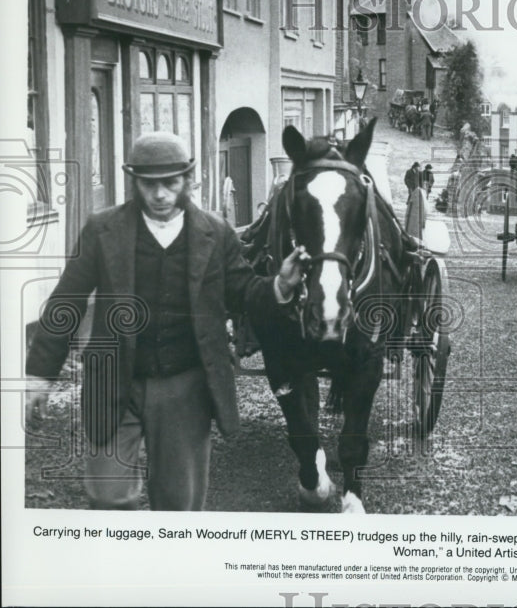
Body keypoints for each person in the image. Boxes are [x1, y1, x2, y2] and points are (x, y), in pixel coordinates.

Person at [24, 132, 308, 510]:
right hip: (113, 381)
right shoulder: (102, 230)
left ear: (187, 180)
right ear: (134, 182)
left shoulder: (215, 231)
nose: (159, 194)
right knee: (107, 499)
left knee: (179, 507)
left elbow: (242, 292)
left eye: (169, 183)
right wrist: (40, 374)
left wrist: (280, 285)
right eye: (149, 184)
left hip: (186, 385)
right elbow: (66, 302)